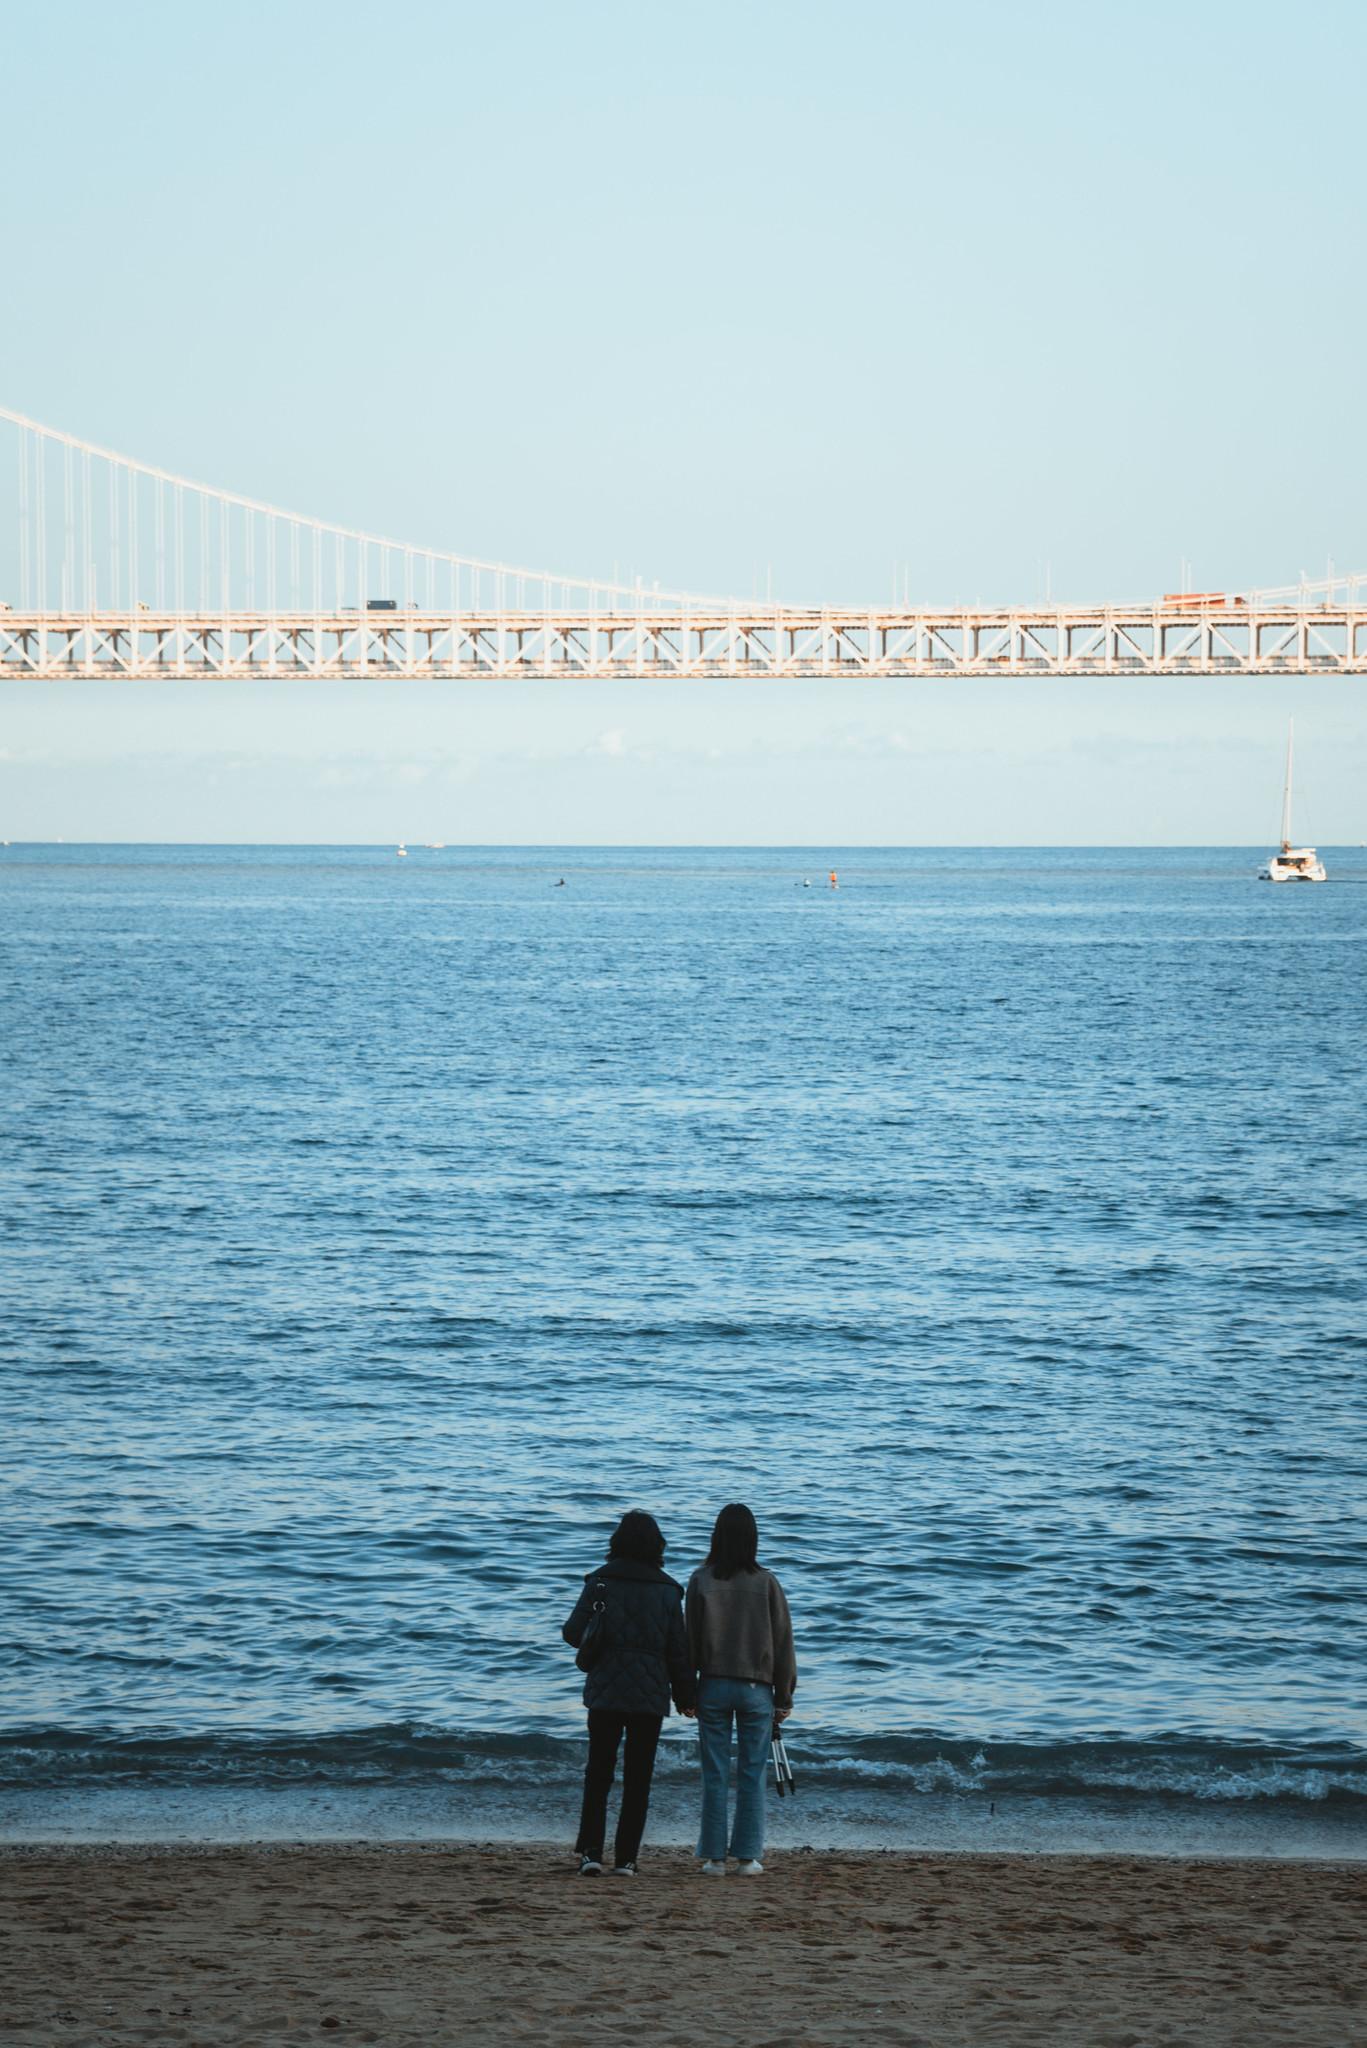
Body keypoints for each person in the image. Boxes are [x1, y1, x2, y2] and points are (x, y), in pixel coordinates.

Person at [562, 1510, 695, 1877]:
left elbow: (572, 1633)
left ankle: (590, 1854)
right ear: (657, 1546)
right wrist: (687, 1697)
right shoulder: (669, 1590)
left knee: (598, 1774)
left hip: (605, 1691)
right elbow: (678, 1651)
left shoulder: (600, 1582)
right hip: (650, 1695)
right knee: (639, 1779)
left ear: (616, 1542)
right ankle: (626, 1860)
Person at [686, 1503, 797, 1878]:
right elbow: (783, 1644)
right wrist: (784, 1697)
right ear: (753, 1539)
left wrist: (685, 1693)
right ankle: (748, 1857)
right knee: (752, 1772)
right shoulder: (767, 1582)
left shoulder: (701, 1580)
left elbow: (689, 1642)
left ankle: (714, 1858)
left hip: (714, 1685)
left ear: (716, 1537)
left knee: (714, 1772)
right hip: (756, 1688)